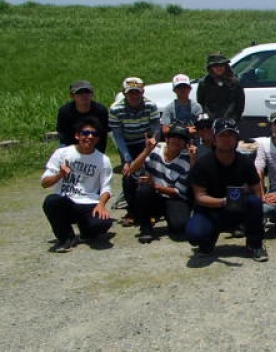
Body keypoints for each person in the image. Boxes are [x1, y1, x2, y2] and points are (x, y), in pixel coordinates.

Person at [185, 118, 267, 261]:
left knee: (254, 202)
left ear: (237, 139)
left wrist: (255, 217)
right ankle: (208, 241)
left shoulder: (245, 162)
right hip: (210, 210)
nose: (227, 139)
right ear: (215, 139)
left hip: (237, 210)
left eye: (231, 135)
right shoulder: (203, 164)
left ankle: (255, 244)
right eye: (222, 135)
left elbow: (257, 191)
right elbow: (200, 197)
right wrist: (224, 201)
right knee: (195, 235)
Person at [41, 116, 113, 252]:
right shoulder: (62, 153)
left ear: (98, 138)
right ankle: (66, 238)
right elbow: (44, 183)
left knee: (104, 222)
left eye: (94, 134)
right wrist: (60, 175)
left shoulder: (103, 160)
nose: (90, 137)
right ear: (77, 136)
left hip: (89, 202)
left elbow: (106, 187)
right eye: (85, 133)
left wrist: (102, 204)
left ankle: (86, 231)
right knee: (51, 201)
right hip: (66, 200)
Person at [108, 77, 160, 227]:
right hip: (127, 143)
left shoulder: (151, 106)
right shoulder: (115, 109)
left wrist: (151, 146)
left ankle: (151, 211)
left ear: (142, 92)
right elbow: (117, 135)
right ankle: (132, 211)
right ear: (125, 94)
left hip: (146, 142)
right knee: (128, 175)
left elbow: (156, 128)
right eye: (130, 93)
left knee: (149, 174)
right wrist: (127, 159)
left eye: (137, 93)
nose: (134, 96)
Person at [130, 124, 195, 243]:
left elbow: (178, 192)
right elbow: (133, 170)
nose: (177, 141)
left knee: (180, 227)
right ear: (167, 139)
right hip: (153, 196)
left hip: (173, 198)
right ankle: (146, 229)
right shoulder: (155, 148)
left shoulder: (187, 159)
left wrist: (156, 186)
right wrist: (146, 151)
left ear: (185, 143)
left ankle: (170, 218)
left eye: (181, 139)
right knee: (143, 190)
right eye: (174, 137)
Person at [56, 80, 110, 153]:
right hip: (71, 145)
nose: (84, 95)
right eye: (79, 93)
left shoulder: (101, 111)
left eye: (87, 92)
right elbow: (64, 137)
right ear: (72, 96)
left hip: (94, 145)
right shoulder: (65, 112)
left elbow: (102, 136)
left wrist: (99, 154)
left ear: (92, 94)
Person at [196, 52, 245, 122]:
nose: (219, 68)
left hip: (230, 123)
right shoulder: (204, 84)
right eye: (215, 66)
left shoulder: (235, 83)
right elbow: (201, 104)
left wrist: (233, 120)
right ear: (210, 68)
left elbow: (240, 105)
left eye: (221, 65)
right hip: (211, 123)